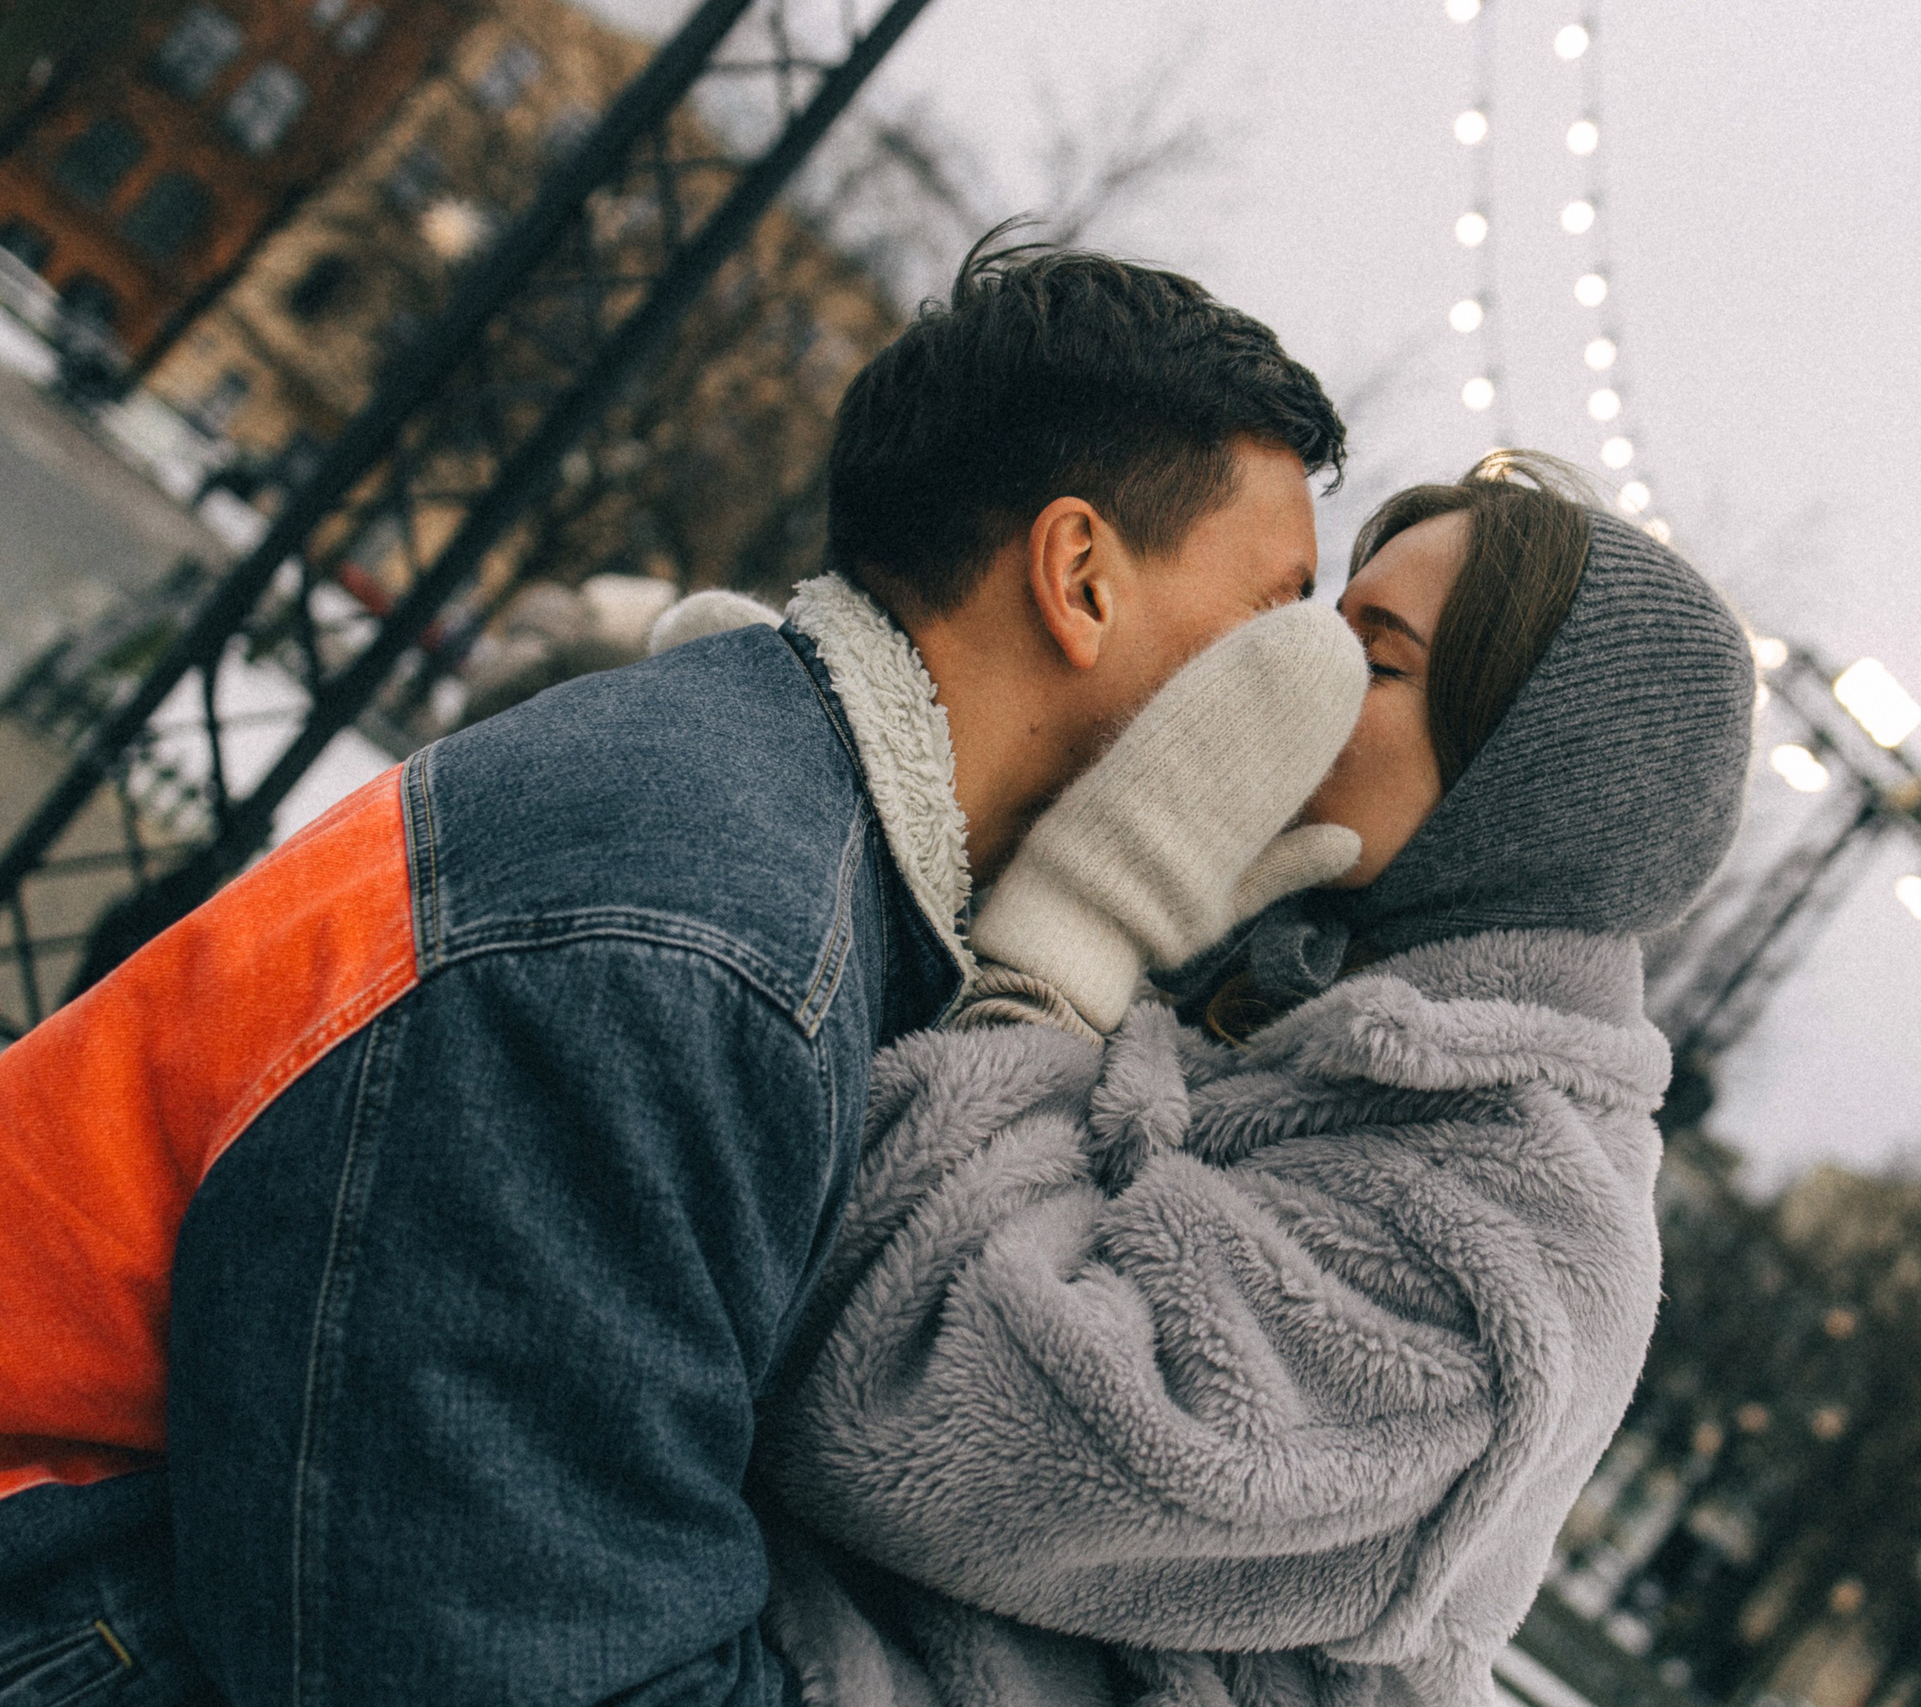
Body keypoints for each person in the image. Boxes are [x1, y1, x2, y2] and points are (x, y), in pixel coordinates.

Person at [0, 236, 1348, 1703]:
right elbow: (504, 1664)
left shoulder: (751, 833)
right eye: (1275, 617)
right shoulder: (696, 946)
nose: (1294, 706)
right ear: (1080, 578)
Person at [749, 453, 1759, 1706]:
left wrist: (1060, 951)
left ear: (1532, 789)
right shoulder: (1253, 973)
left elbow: (919, 1403)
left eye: (1375, 661)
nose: (1297, 683)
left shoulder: (1523, 1234)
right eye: (1318, 631)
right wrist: (826, 796)